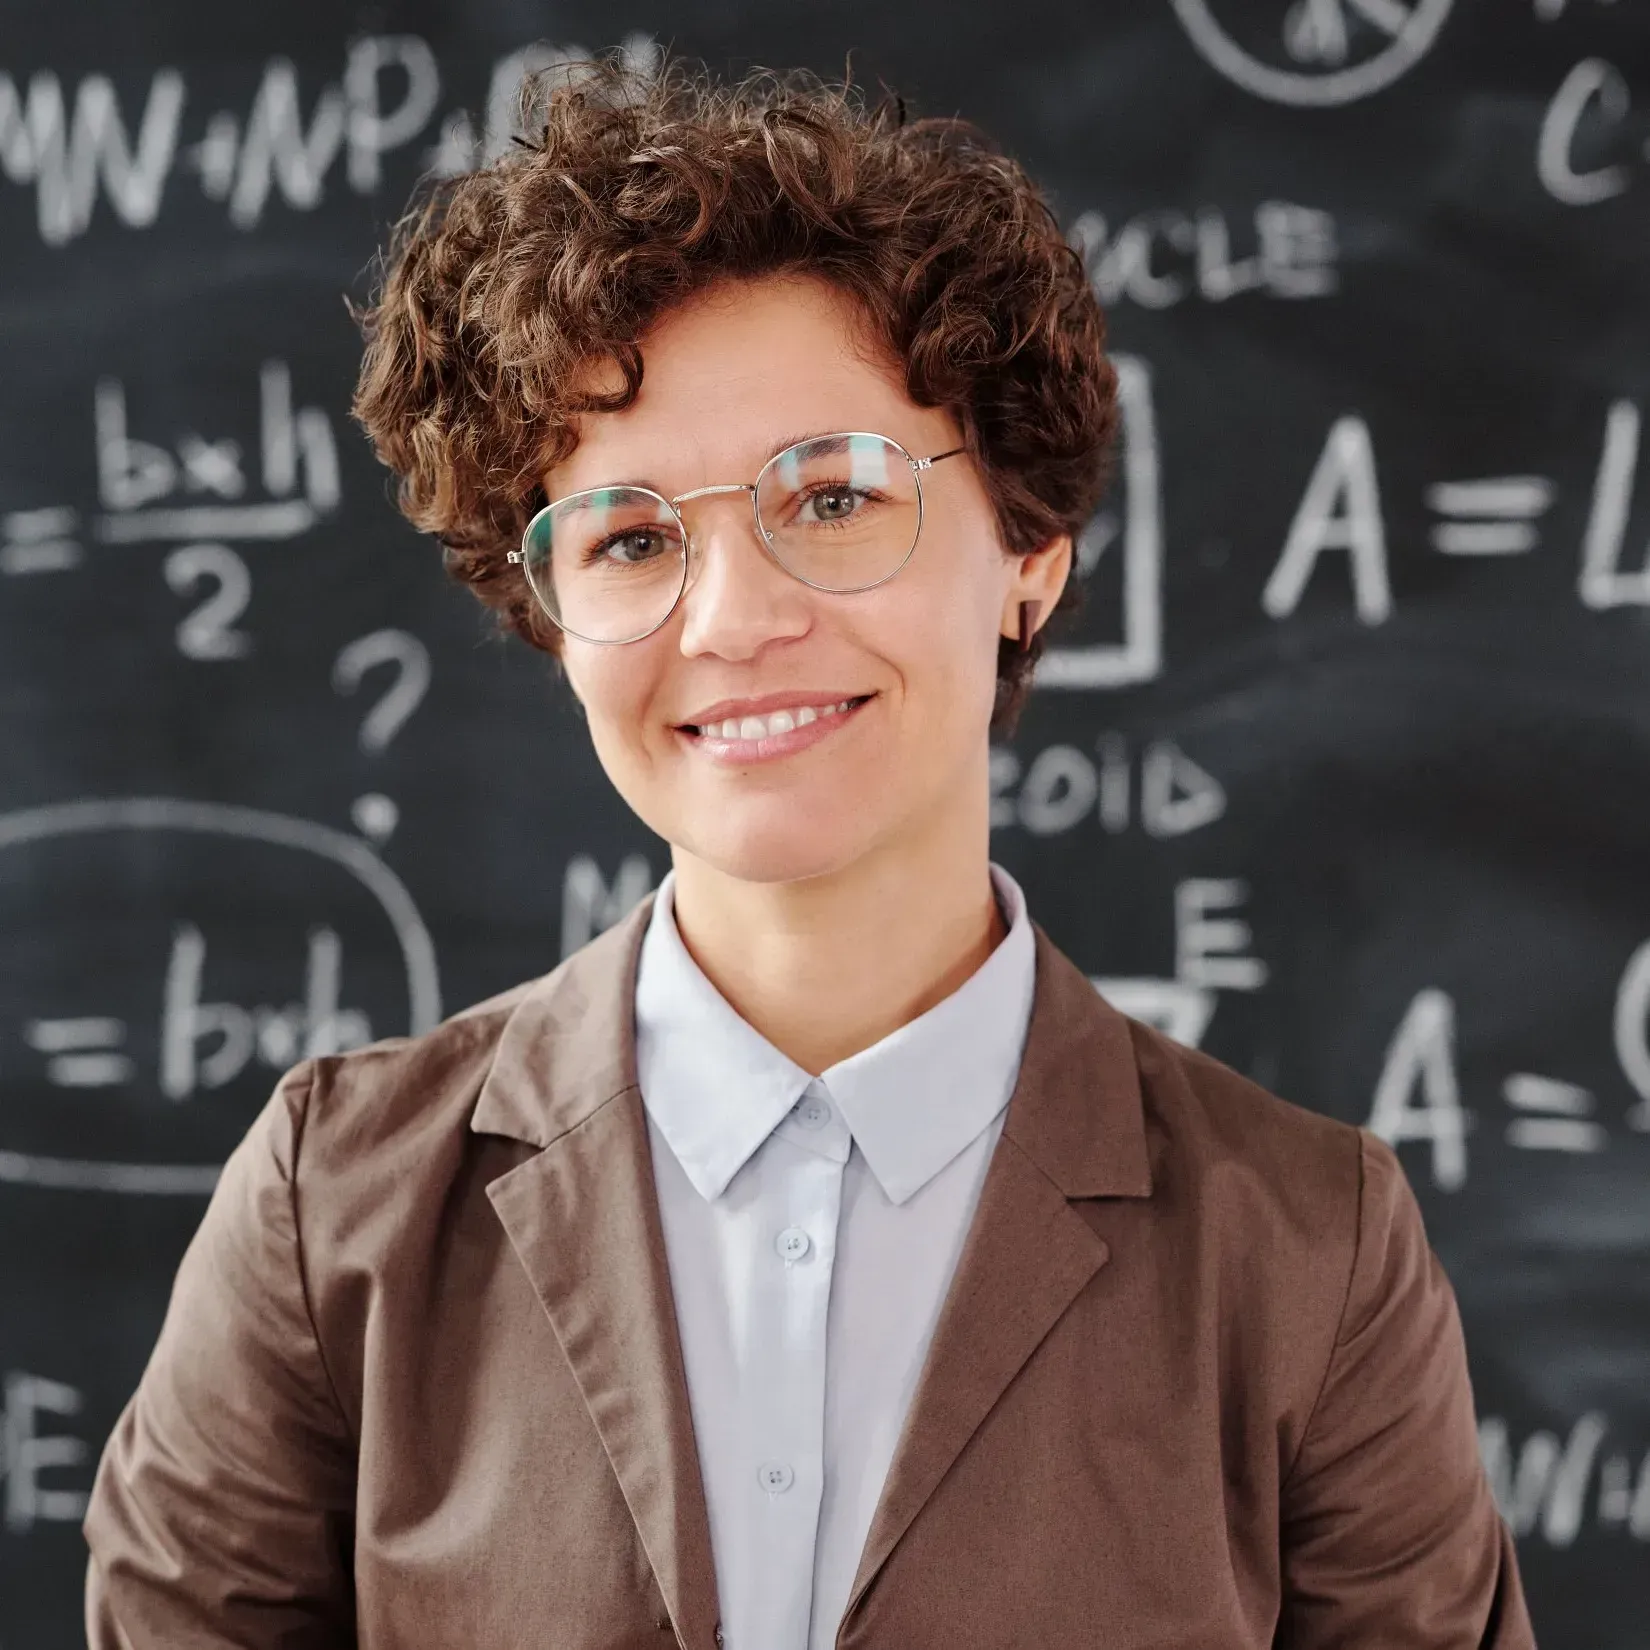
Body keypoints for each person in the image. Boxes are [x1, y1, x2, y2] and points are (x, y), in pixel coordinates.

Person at [81, 52, 1536, 1650]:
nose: (734, 619)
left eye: (832, 500)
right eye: (632, 538)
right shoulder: (331, 1215)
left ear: (1028, 553)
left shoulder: (1308, 1253)